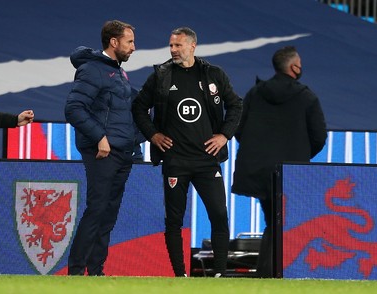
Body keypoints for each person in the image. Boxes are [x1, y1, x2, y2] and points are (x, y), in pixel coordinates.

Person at [132, 27, 243, 277]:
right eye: (171, 45)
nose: (173, 50)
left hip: (206, 161)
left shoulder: (213, 75)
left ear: (192, 46)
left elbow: (236, 104)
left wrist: (225, 135)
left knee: (219, 215)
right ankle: (180, 275)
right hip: (175, 161)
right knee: (174, 221)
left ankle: (221, 274)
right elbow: (139, 107)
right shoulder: (161, 75)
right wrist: (153, 135)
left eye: (178, 45)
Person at [231, 46, 327, 278]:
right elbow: (319, 136)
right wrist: (299, 159)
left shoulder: (255, 93)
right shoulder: (307, 97)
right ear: (294, 67)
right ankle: (276, 273)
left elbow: (238, 129)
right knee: (284, 223)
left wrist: (256, 152)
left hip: (258, 171)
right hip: (290, 174)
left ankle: (268, 272)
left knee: (273, 221)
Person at [64, 20, 136, 276]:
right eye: (129, 42)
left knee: (108, 214)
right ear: (114, 42)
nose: (133, 48)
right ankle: (74, 272)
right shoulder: (93, 70)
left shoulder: (117, 71)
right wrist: (99, 138)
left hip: (121, 152)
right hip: (102, 151)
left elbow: (121, 111)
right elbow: (73, 109)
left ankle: (95, 271)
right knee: (97, 210)